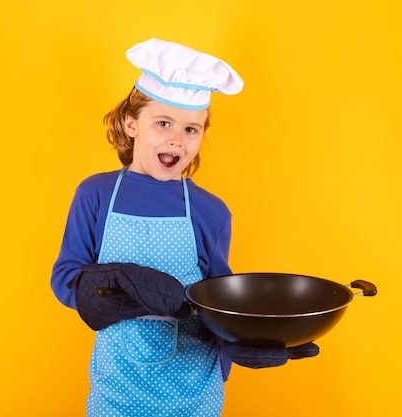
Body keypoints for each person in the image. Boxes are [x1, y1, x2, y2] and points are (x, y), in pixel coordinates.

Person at [51, 38, 319, 417]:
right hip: (117, 388)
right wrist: (120, 282)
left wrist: (241, 342)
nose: (177, 139)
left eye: (192, 129)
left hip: (194, 392)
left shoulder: (211, 212)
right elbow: (65, 278)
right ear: (132, 124)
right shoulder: (95, 194)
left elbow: (221, 303)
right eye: (163, 123)